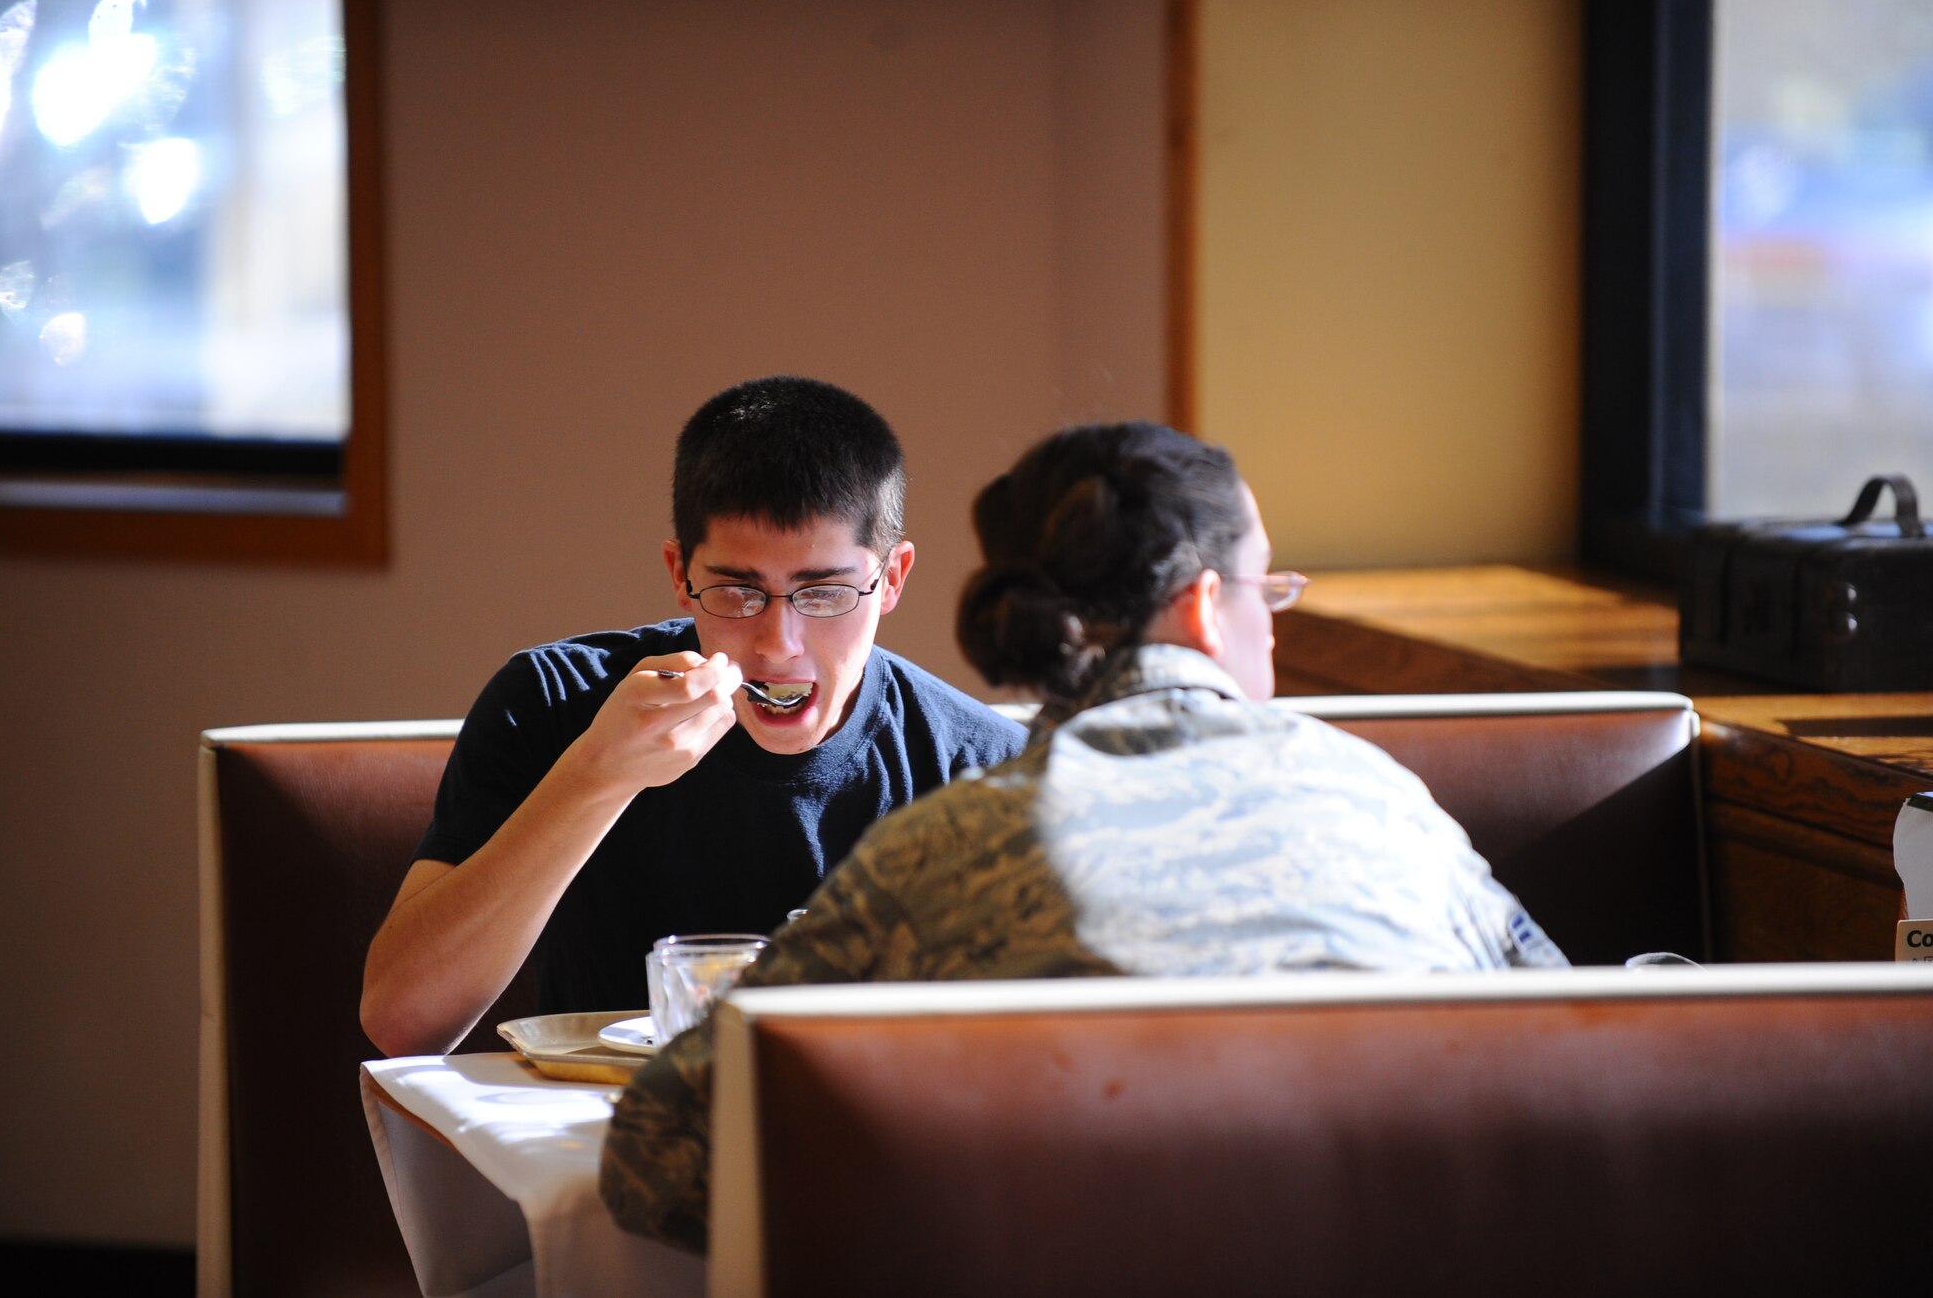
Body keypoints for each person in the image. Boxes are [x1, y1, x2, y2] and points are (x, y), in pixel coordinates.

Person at [599, 419, 1567, 1252]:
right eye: (1265, 595)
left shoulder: (940, 851)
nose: (1269, 630)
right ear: (1199, 604)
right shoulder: (1387, 806)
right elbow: (1575, 1050)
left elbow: (658, 1151)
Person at [359, 376, 1028, 1058]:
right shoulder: (553, 703)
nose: (778, 643)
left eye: (823, 593)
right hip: (600, 1148)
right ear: (680, 572)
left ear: (890, 579)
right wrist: (599, 775)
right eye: (738, 590)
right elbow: (402, 1020)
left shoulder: (987, 768)